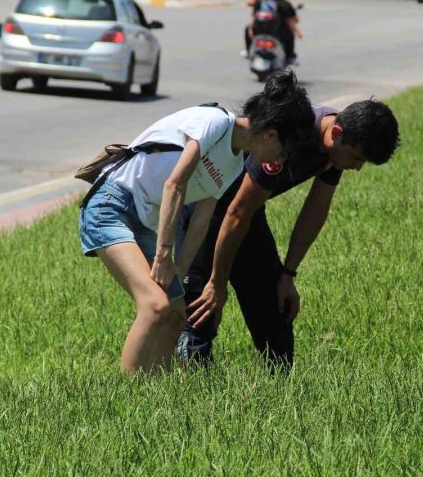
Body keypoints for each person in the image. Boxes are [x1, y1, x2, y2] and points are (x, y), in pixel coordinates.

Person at [79, 70, 315, 374]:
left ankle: (156, 395)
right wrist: (164, 255)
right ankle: (126, 399)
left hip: (144, 218)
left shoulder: (234, 163)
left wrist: (179, 270)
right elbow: (174, 185)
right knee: (155, 306)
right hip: (111, 204)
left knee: (177, 310)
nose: (280, 162)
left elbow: (201, 221)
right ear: (270, 135)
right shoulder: (215, 122)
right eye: (284, 153)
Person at [176, 99, 400, 370]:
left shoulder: (334, 146)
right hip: (206, 210)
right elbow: (235, 213)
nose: (357, 167)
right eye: (356, 158)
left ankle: (277, 393)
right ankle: (188, 391)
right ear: (337, 134)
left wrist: (287, 274)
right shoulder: (289, 140)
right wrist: (217, 282)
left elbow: (315, 209)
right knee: (199, 318)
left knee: (276, 324)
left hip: (247, 216)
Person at [242, 0, 302, 65]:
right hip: (278, 32)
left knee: (247, 29)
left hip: (259, 32)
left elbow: (253, 16)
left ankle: (248, 51)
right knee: (290, 35)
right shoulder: (284, 4)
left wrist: (251, 29)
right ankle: (290, 56)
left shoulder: (261, 2)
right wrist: (297, 31)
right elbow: (291, 21)